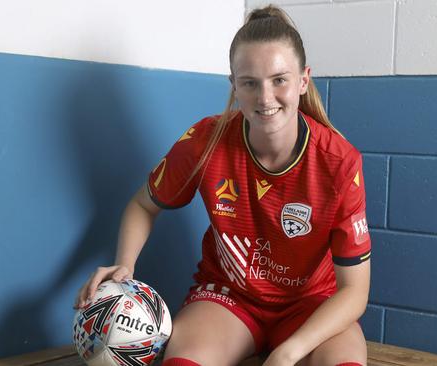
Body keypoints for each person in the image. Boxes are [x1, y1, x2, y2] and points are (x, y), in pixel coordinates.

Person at [75, 5, 371, 366]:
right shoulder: (205, 141)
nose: (265, 98)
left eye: (279, 79)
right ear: (234, 85)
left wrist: (287, 353)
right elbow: (142, 205)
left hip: (311, 305)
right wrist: (125, 265)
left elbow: (355, 291)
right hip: (229, 300)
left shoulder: (339, 161)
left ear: (303, 81)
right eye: (250, 82)